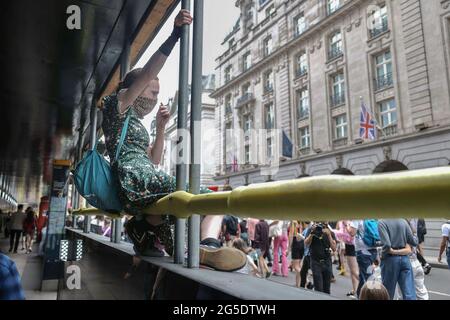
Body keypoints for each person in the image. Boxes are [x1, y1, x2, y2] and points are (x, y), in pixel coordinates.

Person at [378, 219, 417, 300]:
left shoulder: (382, 222)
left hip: (390, 259)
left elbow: (387, 244)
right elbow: (414, 241)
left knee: (388, 292)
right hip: (404, 259)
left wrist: (382, 254)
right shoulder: (403, 221)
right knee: (409, 292)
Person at [348, 219, 379, 297]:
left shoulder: (356, 218)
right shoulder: (371, 217)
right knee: (363, 277)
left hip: (363, 251)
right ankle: (360, 296)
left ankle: (374, 297)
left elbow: (352, 232)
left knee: (368, 278)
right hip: (373, 249)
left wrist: (347, 225)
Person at [304, 221, 336, 294]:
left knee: (327, 289)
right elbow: (306, 243)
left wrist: (329, 235)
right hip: (315, 262)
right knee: (318, 288)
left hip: (327, 262)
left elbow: (334, 248)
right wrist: (312, 233)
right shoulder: (312, 229)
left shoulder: (330, 232)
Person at [333, 220, 358, 299]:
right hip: (348, 245)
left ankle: (366, 286)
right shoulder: (341, 222)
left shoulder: (352, 222)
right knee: (352, 271)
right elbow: (339, 234)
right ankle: (355, 289)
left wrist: (346, 225)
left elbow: (352, 233)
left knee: (354, 271)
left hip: (353, 246)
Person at [288, 220, 304, 287]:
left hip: (295, 244)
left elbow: (291, 235)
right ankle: (298, 284)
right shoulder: (300, 222)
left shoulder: (293, 222)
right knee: (299, 265)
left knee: (296, 267)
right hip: (301, 244)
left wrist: (289, 247)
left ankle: (306, 280)